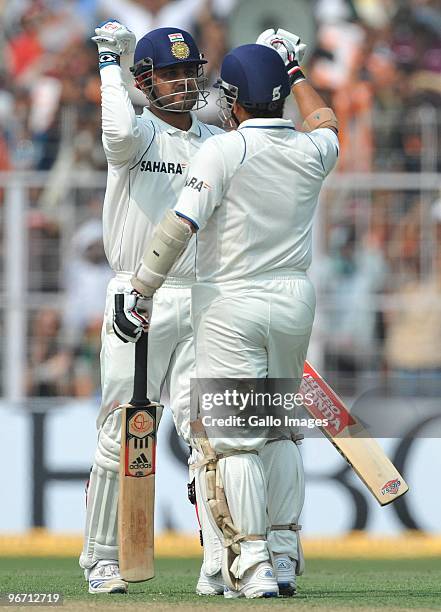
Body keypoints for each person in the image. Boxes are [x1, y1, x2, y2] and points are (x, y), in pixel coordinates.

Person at [122, 29, 339, 598]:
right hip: (294, 300)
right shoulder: (313, 150)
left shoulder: (224, 147)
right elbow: (327, 121)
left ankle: (253, 562)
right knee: (283, 432)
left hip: (229, 301)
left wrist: (141, 288)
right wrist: (294, 71)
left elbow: (179, 227)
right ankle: (287, 553)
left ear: (236, 99)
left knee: (236, 441)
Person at [79, 20, 224, 594]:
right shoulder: (137, 133)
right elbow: (113, 131)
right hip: (137, 295)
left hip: (202, 298)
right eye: (170, 74)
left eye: (190, 72)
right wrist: (108, 66)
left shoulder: (213, 144)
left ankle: (221, 557)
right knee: (123, 432)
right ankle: (102, 558)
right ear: (146, 81)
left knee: (207, 431)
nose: (183, 83)